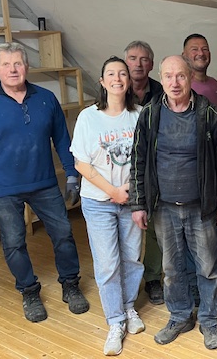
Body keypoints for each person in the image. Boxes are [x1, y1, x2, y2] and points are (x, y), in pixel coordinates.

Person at [0, 42, 89, 323]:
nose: (13, 69)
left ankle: (71, 285)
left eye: (18, 63)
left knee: (64, 235)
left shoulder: (46, 99)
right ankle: (29, 291)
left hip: (44, 184)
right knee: (13, 243)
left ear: (27, 67)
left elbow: (62, 140)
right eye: (6, 64)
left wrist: (72, 174)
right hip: (3, 191)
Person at [130, 55, 217, 351]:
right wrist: (138, 203)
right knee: (172, 269)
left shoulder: (208, 113)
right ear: (161, 78)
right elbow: (138, 160)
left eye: (181, 76)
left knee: (208, 268)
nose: (174, 82)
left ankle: (209, 320)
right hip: (164, 208)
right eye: (168, 76)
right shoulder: (150, 114)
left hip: (201, 207)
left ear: (190, 78)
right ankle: (180, 316)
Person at [70, 56, 145, 356]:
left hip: (131, 200)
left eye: (122, 73)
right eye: (111, 74)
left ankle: (128, 307)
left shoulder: (139, 114)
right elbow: (81, 164)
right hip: (99, 202)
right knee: (107, 264)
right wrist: (113, 191)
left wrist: (129, 191)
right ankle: (115, 321)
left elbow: (145, 160)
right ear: (102, 82)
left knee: (132, 259)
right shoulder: (88, 117)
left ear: (129, 81)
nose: (117, 78)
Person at [182, 33, 217, 294]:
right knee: (194, 233)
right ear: (184, 55)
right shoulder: (184, 86)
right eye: (194, 49)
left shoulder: (214, 84)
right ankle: (195, 284)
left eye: (204, 48)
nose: (200, 53)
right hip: (194, 172)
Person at [123, 40, 164, 306]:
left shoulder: (161, 92)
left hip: (154, 169)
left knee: (153, 228)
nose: (138, 64)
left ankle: (152, 278)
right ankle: (126, 281)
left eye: (144, 59)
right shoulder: (115, 88)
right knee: (127, 230)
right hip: (120, 171)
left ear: (151, 64)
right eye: (133, 58)